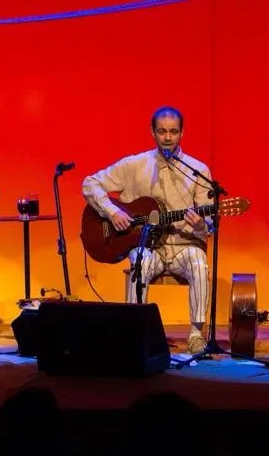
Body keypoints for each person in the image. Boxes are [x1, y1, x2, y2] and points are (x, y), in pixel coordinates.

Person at [81, 106, 214, 354]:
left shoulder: (199, 171)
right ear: (153, 132)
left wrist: (200, 226)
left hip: (183, 246)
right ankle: (134, 331)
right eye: (162, 131)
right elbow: (90, 183)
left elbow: (208, 222)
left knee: (199, 262)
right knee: (139, 262)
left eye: (173, 132)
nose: (167, 137)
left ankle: (196, 334)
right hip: (146, 245)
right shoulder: (134, 165)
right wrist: (113, 211)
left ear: (182, 133)